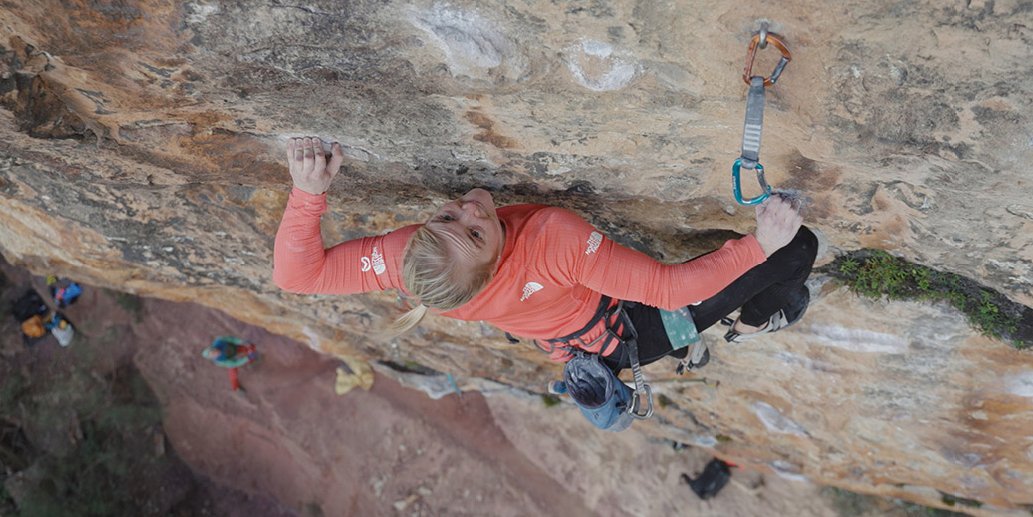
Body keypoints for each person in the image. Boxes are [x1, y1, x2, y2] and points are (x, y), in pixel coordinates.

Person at [274, 137, 818, 427]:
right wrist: (760, 244)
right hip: (629, 331)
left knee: (683, 312)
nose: (469, 208)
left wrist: (307, 192)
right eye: (477, 233)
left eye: (446, 218)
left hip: (574, 332)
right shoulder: (549, 243)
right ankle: (753, 321)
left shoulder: (423, 267)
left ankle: (692, 343)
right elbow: (671, 290)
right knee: (798, 249)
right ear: (492, 264)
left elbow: (297, 276)